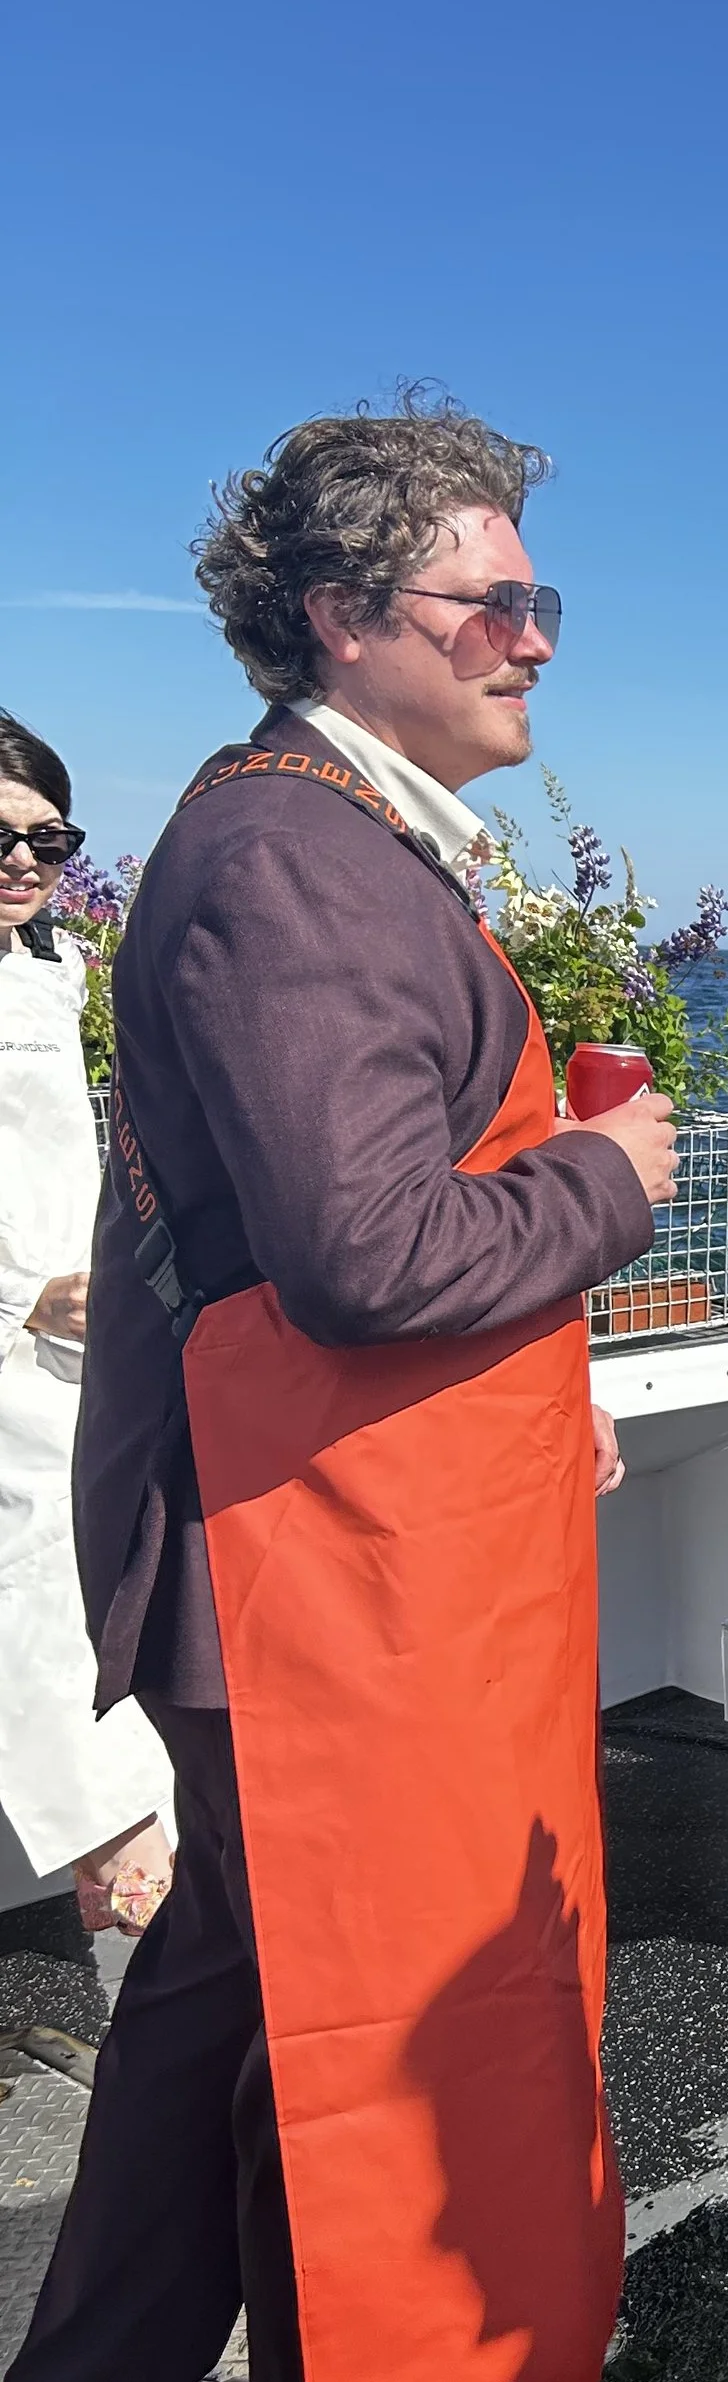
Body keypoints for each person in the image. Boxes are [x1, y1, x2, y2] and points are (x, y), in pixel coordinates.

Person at [0, 395, 680, 2382]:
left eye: (536, 599)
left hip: (292, 1556)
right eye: (487, 601)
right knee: (376, 2063)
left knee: (218, 1993)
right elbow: (376, 1249)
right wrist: (623, 1175)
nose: (531, 643)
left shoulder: (312, 840)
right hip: (317, 1590)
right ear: (337, 619)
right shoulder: (296, 861)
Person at [0, 714, 175, 1935]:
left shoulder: (52, 966)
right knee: (37, 1547)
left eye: (48, 839)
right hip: (19, 1319)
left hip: (76, 1309)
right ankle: (111, 1837)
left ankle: (128, 1824)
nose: (23, 863)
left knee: (107, 1539)